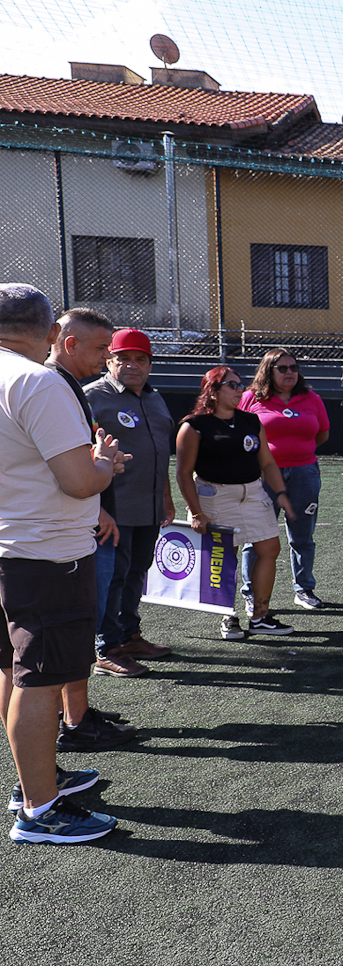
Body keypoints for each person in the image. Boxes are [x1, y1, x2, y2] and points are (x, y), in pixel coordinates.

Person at [1, 282, 122, 844]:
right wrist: (105, 463)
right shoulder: (36, 381)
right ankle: (39, 807)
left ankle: (32, 782)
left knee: (14, 670)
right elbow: (78, 482)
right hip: (45, 554)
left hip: (10, 549)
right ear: (52, 333)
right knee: (42, 680)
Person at [46, 309, 141, 752]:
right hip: (56, 539)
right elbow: (75, 471)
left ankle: (76, 714)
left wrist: (98, 493)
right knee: (65, 639)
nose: (107, 357)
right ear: (68, 343)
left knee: (78, 629)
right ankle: (72, 727)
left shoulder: (63, 387)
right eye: (102, 348)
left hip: (77, 522)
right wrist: (103, 470)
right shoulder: (49, 386)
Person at [175, 366, 297, 639]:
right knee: (224, 557)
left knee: (269, 548)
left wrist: (281, 494)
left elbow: (266, 462)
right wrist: (196, 512)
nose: (239, 390)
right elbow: (183, 473)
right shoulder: (194, 425)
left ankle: (260, 617)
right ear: (213, 391)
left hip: (253, 493)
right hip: (216, 497)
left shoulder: (250, 421)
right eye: (232, 385)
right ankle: (227, 616)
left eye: (240, 385)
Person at [86, 327, 176, 678]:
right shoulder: (93, 396)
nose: (132, 365)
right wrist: (98, 508)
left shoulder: (155, 398)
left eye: (140, 359)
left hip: (149, 507)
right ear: (109, 360)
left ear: (150, 364)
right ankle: (107, 648)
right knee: (113, 578)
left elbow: (160, 454)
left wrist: (167, 499)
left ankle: (130, 634)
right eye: (123, 358)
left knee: (137, 573)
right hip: (112, 510)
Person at [239, 348, 330, 611]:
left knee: (303, 536)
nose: (290, 372)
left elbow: (322, 434)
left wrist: (298, 452)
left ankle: (303, 590)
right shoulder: (250, 399)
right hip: (262, 476)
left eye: (293, 367)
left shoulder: (311, 398)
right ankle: (251, 594)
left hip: (305, 474)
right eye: (283, 368)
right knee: (255, 537)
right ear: (268, 371)